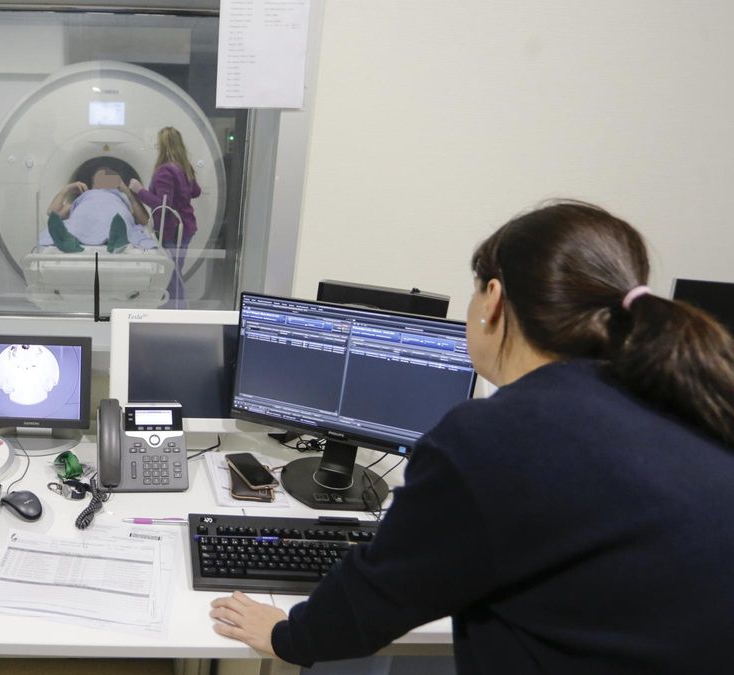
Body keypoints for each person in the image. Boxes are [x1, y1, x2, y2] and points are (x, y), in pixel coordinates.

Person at [208, 201, 734, 673]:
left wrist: (284, 635)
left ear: (494, 301)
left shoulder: (497, 437)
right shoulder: (692, 402)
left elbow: (375, 601)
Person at [130, 127, 202, 308]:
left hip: (172, 230)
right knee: (176, 271)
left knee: (171, 275)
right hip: (186, 227)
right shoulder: (184, 167)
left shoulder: (164, 171)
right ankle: (175, 311)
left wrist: (139, 190)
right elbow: (196, 192)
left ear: (162, 146)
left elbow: (163, 206)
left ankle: (177, 313)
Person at [39, 167, 157, 253]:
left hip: (116, 215)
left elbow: (144, 220)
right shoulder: (85, 197)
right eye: (101, 178)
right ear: (93, 183)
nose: (104, 180)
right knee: (76, 223)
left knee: (120, 220)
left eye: (109, 178)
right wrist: (67, 189)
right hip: (85, 214)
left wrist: (127, 191)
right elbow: (52, 213)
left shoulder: (120, 199)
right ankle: (69, 239)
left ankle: (116, 239)